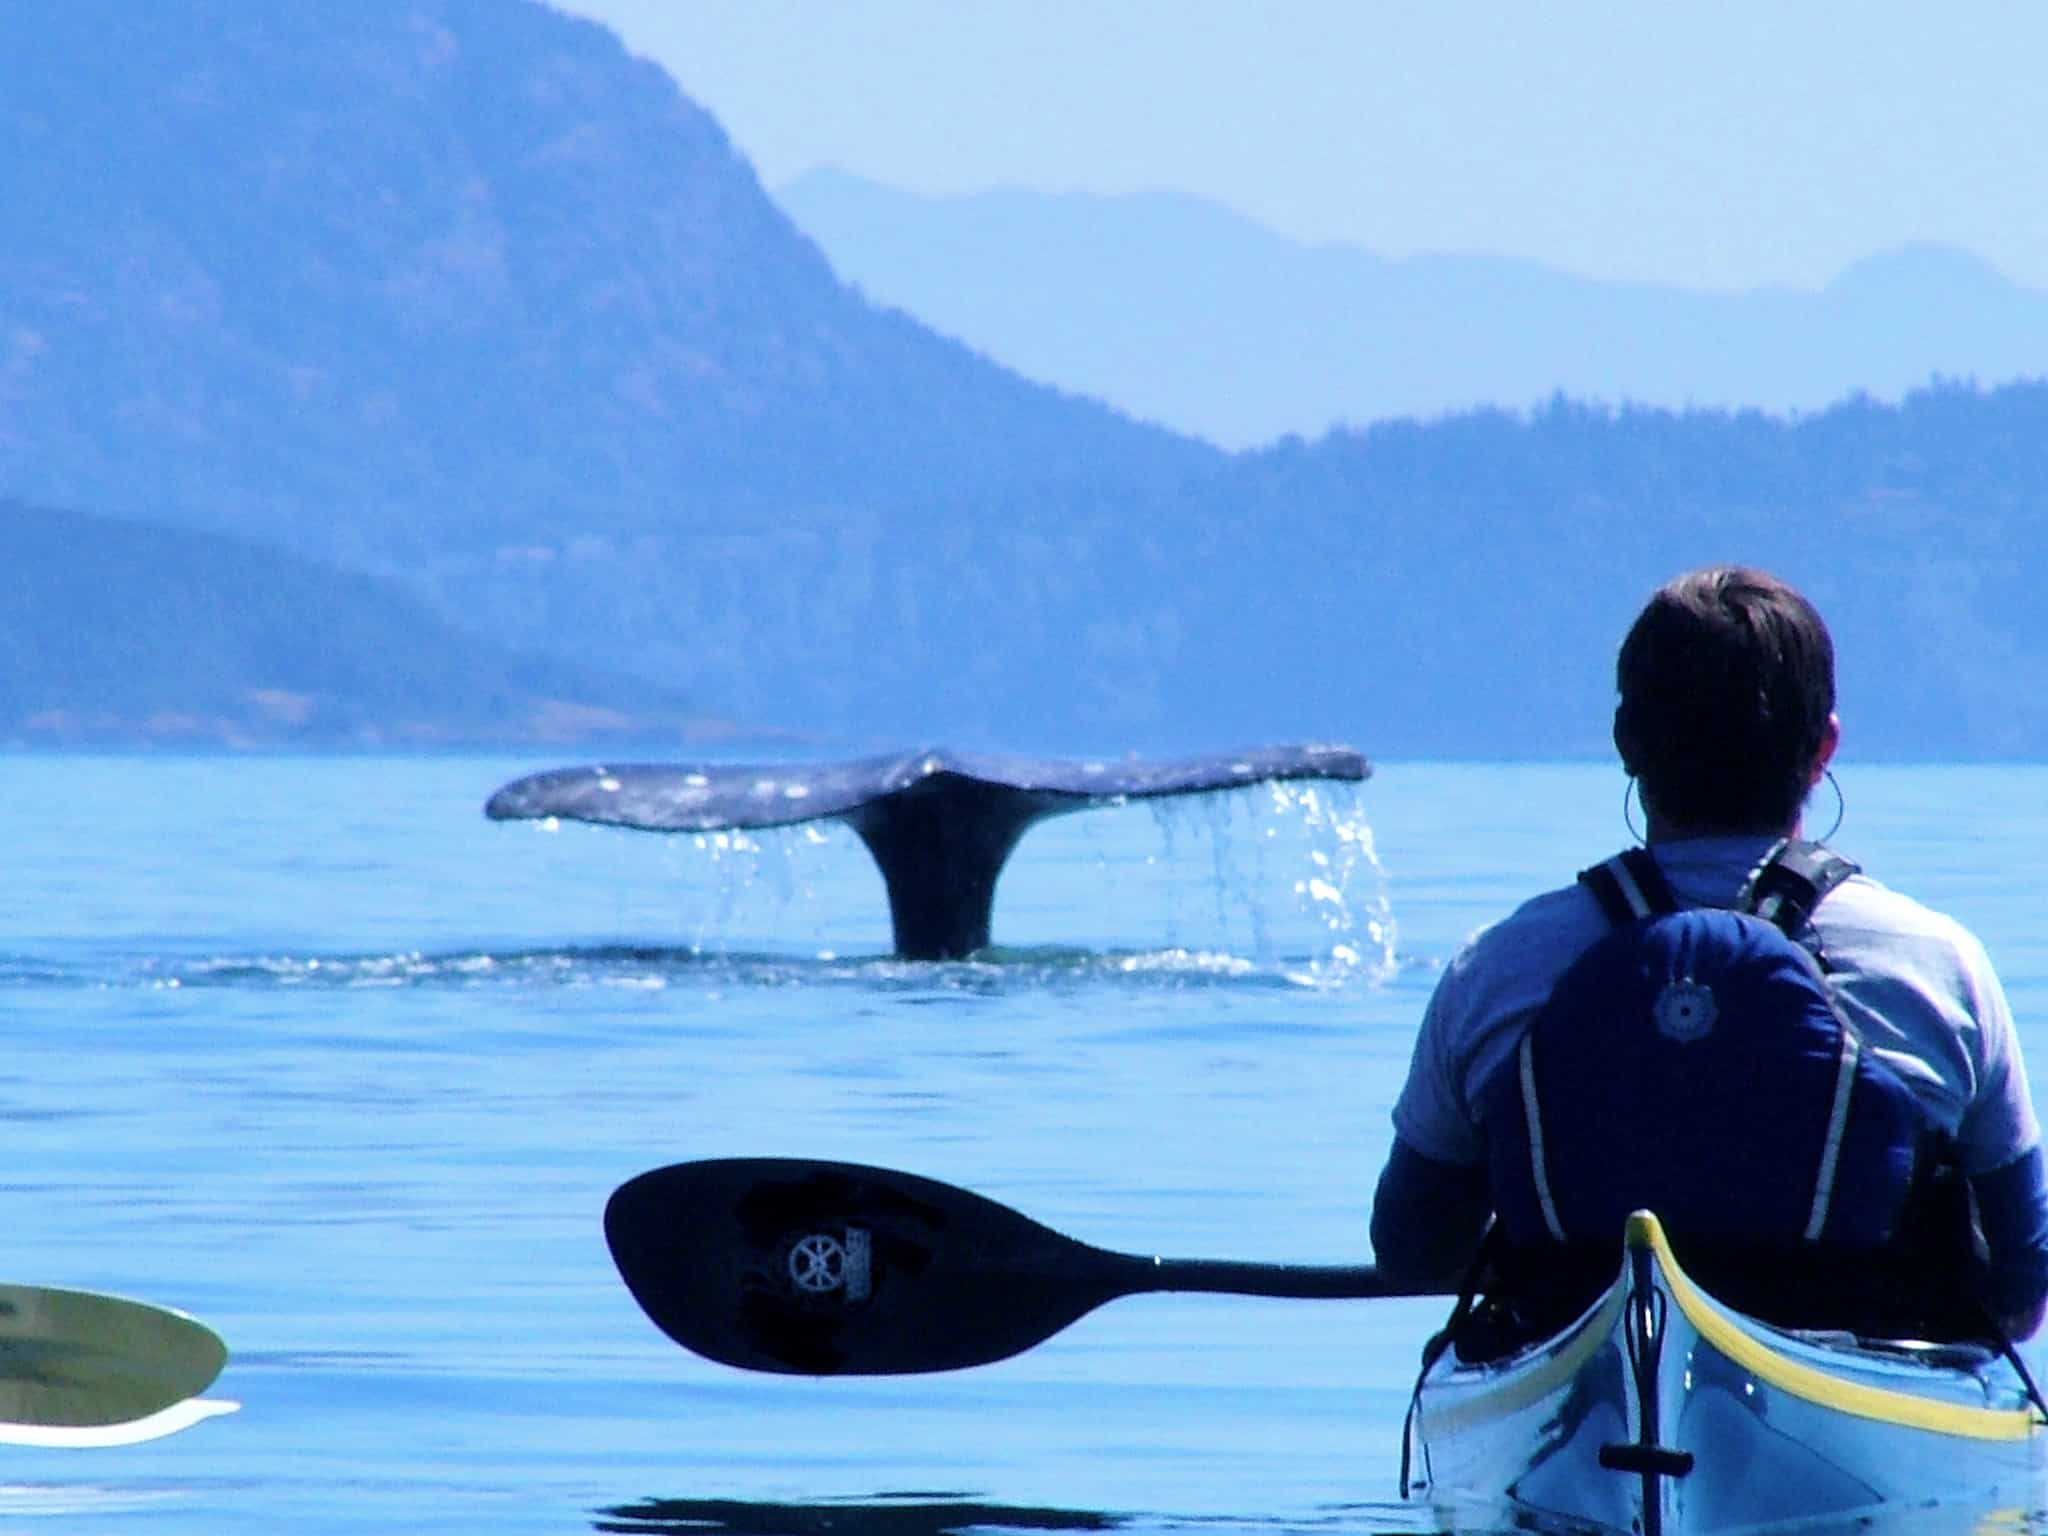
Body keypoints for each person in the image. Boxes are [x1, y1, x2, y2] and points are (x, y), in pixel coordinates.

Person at [1370, 565, 2048, 1341]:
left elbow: (1413, 1251)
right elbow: (2021, 1293)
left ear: (1628, 742)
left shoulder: (1497, 970)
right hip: (1858, 1404)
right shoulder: (1938, 964)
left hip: (1580, 1385)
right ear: (1825, 746)